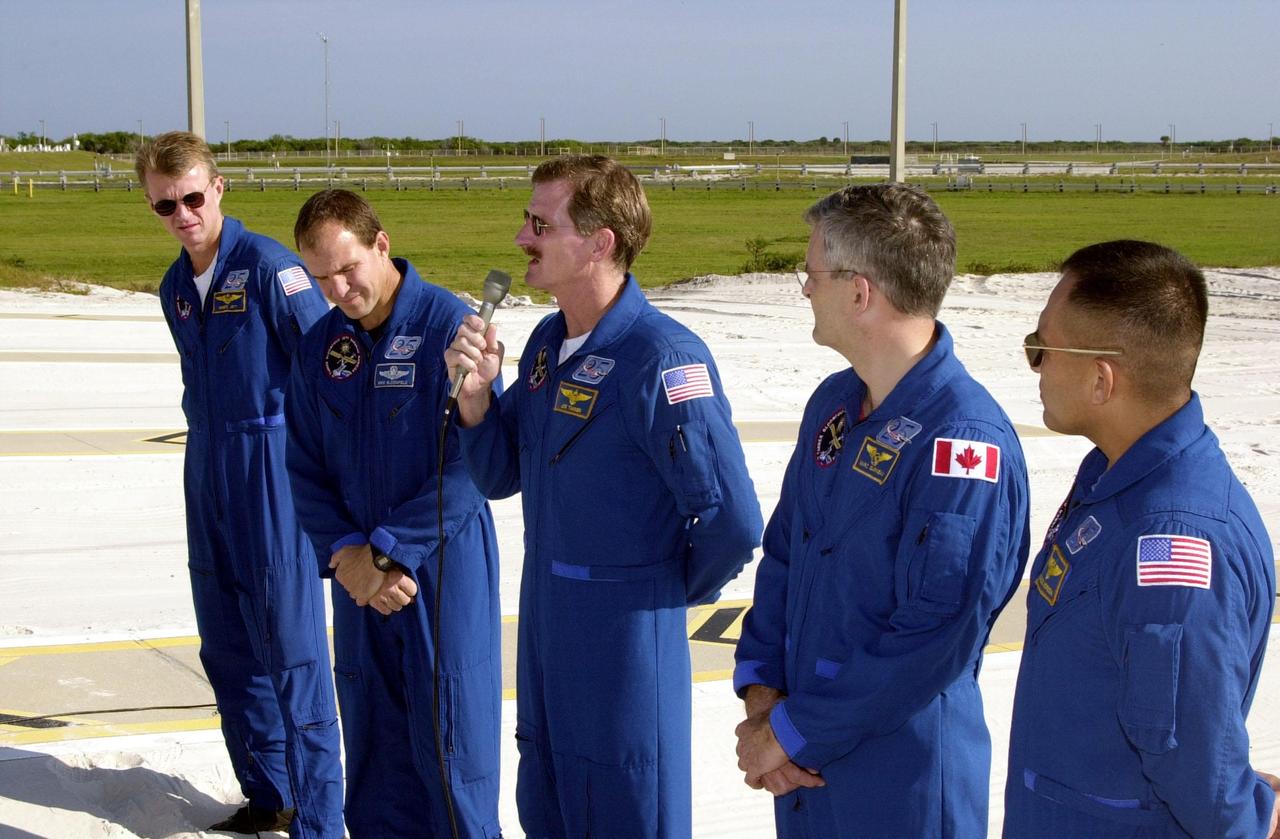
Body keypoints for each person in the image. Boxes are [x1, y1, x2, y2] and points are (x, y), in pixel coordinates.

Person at [445, 154, 763, 838]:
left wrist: (652, 590)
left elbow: (732, 520)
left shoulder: (662, 358)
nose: (521, 238)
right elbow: (501, 475)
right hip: (547, 625)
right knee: (549, 802)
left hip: (624, 643)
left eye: (539, 222)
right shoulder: (545, 344)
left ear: (599, 242)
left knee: (628, 807)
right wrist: (475, 399)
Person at [732, 183, 1031, 837]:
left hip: (900, 782)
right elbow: (785, 554)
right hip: (807, 770)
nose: (806, 289)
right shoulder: (835, 405)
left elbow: (933, 635)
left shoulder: (963, 443)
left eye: (811, 274)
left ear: (860, 291)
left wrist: (791, 731)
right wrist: (763, 701)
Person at [1004, 240, 1280, 838]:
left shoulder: (1172, 540)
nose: (1036, 364)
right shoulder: (1117, 475)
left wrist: (1257, 818)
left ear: (1102, 380)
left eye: (1041, 349)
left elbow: (1193, 761)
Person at [135, 131, 343, 837]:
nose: (183, 214)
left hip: (272, 466)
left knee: (291, 648)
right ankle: (269, 795)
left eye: (193, 196)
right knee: (226, 644)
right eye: (167, 204)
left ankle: (320, 814)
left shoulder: (269, 270)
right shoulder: (175, 289)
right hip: (208, 470)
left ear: (218, 188)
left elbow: (327, 369)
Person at [285, 189, 503, 839]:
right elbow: (301, 465)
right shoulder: (321, 349)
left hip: (441, 568)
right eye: (321, 276)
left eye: (348, 267)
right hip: (358, 578)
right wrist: (350, 553)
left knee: (451, 754)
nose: (339, 288)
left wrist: (388, 551)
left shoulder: (450, 328)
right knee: (376, 752)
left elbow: (476, 465)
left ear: (381, 243)